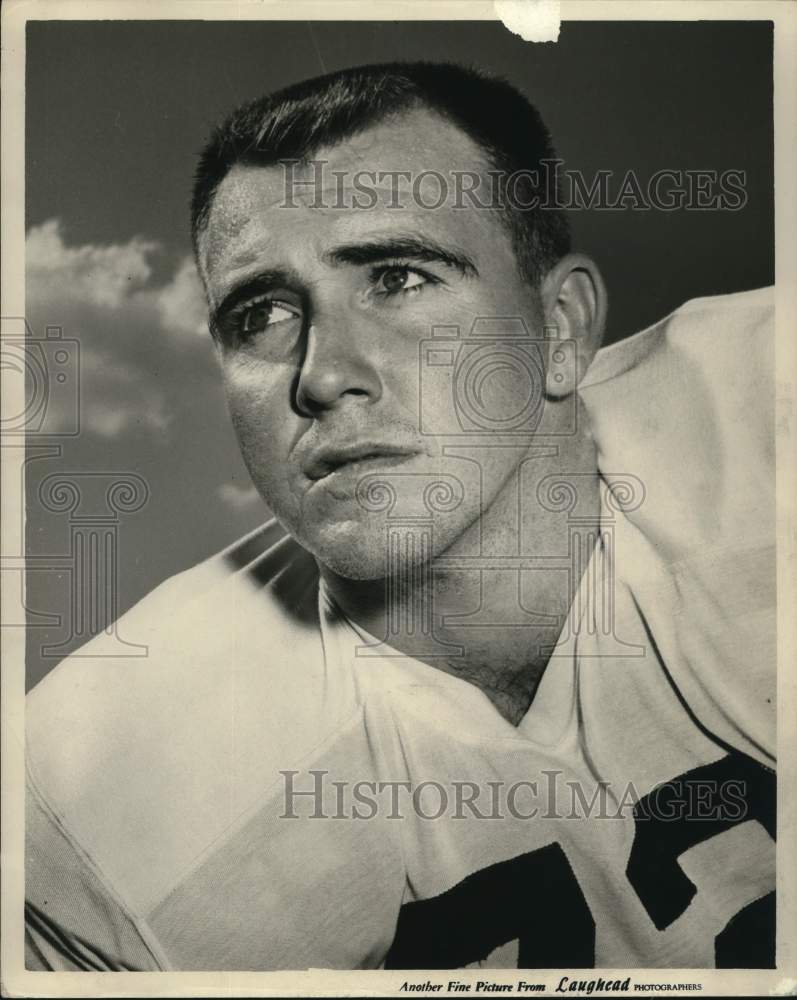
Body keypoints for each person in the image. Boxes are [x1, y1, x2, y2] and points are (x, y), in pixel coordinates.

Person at [25, 62, 775, 972]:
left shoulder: (763, 437)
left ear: (562, 329)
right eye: (260, 313)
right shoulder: (99, 792)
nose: (323, 372)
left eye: (398, 276)